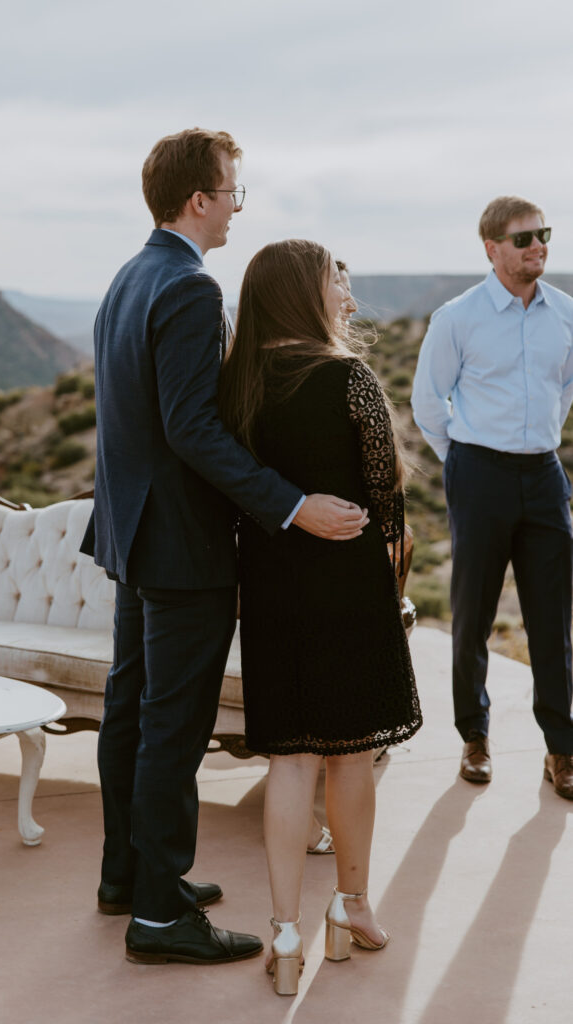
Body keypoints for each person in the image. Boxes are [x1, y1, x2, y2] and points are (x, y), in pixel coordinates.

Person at [80, 129, 370, 967]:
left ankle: (129, 876)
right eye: (232, 192)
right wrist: (289, 506)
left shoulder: (128, 277)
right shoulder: (189, 289)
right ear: (200, 200)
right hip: (179, 547)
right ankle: (163, 916)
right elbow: (191, 429)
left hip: (132, 536)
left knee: (130, 713)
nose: (238, 206)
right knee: (172, 729)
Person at [218, 239, 422, 994]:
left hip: (270, 584)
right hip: (344, 582)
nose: (347, 292)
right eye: (337, 278)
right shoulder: (348, 376)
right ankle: (351, 905)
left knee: (290, 758)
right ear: (305, 291)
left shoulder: (235, 384)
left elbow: (230, 481)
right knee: (349, 753)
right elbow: (386, 499)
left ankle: (282, 931)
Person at [411, 195, 573, 800]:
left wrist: (539, 440)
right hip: (478, 473)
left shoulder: (566, 313)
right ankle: (474, 737)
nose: (538, 247)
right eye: (525, 238)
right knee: (473, 613)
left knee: (553, 618)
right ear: (493, 249)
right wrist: (463, 462)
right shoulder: (458, 317)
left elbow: (565, 387)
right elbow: (429, 403)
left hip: (544, 476)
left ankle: (562, 749)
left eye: (543, 235)